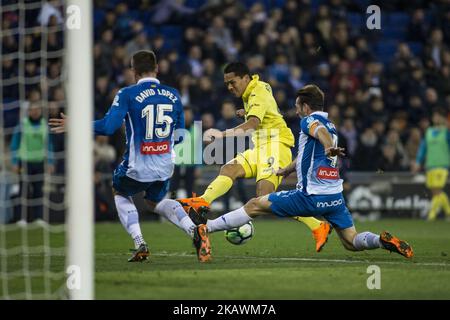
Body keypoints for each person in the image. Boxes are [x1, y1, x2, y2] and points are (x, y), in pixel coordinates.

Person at [188, 85, 413, 259]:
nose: (296, 110)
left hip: (309, 196)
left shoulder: (310, 121)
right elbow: (308, 151)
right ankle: (381, 241)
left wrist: (327, 146)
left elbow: (319, 132)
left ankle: (205, 228)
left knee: (254, 205)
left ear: (306, 107)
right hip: (334, 198)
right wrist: (287, 169)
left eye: (298, 106)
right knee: (352, 242)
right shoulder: (332, 125)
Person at [49, 50, 211, 262]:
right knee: (156, 201)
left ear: (133, 71)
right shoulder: (174, 94)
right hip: (165, 164)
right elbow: (180, 135)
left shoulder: (127, 93)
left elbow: (108, 127)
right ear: (157, 68)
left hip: (138, 164)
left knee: (119, 191)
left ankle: (140, 242)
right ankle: (193, 229)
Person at [178, 62, 332, 252]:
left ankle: (317, 225)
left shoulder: (257, 91)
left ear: (245, 78)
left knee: (264, 199)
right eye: (226, 83)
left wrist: (221, 134)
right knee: (229, 168)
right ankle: (203, 201)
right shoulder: (254, 90)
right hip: (260, 146)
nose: (229, 87)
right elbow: (268, 111)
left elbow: (252, 124)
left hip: (276, 146)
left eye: (232, 82)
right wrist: (247, 112)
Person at [10, 102, 54, 222]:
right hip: (24, 162)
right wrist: (14, 161)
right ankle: (21, 218)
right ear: (29, 111)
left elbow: (49, 145)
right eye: (32, 110)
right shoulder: (22, 125)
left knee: (38, 191)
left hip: (39, 162)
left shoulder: (45, 125)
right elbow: (14, 144)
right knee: (23, 190)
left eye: (37, 109)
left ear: (40, 110)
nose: (35, 112)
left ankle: (38, 218)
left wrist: (50, 162)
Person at [412, 109, 450, 220]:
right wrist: (418, 162)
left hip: (443, 165)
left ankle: (431, 215)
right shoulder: (428, 131)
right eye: (435, 116)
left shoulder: (446, 132)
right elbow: (423, 148)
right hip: (430, 165)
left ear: (443, 118)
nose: (436, 118)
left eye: (439, 116)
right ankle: (448, 212)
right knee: (435, 192)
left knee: (437, 190)